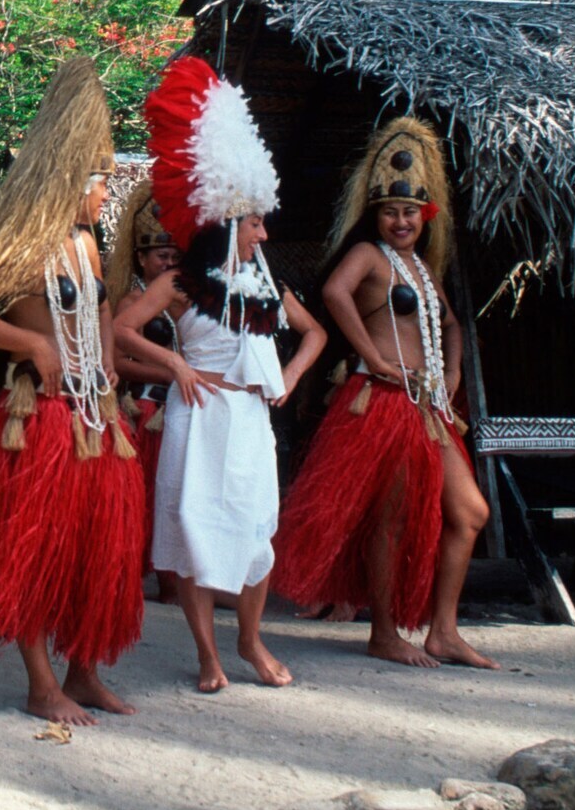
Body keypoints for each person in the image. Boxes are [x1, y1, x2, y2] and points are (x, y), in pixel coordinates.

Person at [0, 56, 145, 727]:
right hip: (39, 419)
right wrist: (32, 344)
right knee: (37, 549)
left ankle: (83, 672)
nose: (105, 195)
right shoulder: (20, 242)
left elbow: (101, 312)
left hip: (96, 416)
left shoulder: (88, 245)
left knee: (99, 552)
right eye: (100, 183)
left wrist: (106, 366)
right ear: (75, 180)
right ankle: (39, 683)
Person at [116, 54, 327, 691]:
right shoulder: (181, 283)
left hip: (250, 417)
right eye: (257, 222)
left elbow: (316, 332)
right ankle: (208, 657)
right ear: (232, 220)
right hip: (198, 416)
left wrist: (288, 377)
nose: (264, 233)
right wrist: (175, 361)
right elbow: (119, 331)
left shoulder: (268, 284)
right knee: (194, 535)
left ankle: (250, 640)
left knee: (258, 529)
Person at [271, 117, 499, 670]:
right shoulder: (370, 256)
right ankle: (383, 631)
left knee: (469, 512)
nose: (401, 220)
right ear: (376, 215)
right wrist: (371, 358)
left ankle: (442, 631)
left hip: (427, 406)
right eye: (392, 212)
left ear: (426, 217)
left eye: (411, 213)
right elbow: (334, 291)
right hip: (381, 400)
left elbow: (451, 326)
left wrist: (451, 376)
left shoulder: (421, 267)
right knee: (391, 519)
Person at [107, 183, 184, 603]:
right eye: (161, 256)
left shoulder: (185, 299)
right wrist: (169, 372)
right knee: (142, 493)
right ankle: (130, 574)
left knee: (172, 493)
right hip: (146, 409)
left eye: (175, 257)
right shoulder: (131, 301)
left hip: (180, 408)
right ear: (141, 257)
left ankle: (172, 578)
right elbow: (117, 362)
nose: (169, 263)